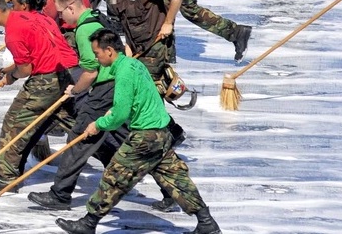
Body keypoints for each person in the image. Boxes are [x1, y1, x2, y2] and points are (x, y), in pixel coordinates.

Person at [55, 30, 221, 234]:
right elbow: (136, 99)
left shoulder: (124, 73)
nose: (96, 58)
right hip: (162, 132)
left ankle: (88, 224)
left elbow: (119, 117)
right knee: (176, 177)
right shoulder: (134, 64)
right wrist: (115, 111)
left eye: (97, 53)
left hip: (145, 136)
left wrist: (97, 125)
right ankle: (206, 222)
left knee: (114, 177)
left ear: (109, 51)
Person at [28, 0, 128, 210]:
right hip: (120, 85)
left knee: (78, 140)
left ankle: (60, 195)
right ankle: (155, 184)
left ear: (71, 7)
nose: (61, 17)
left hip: (103, 90)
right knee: (131, 138)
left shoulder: (84, 31)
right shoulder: (96, 17)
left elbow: (90, 73)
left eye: (61, 12)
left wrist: (75, 90)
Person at [0, 0, 79, 190]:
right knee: (73, 122)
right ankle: (115, 153)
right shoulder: (29, 16)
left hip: (44, 80)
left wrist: (11, 77)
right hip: (64, 72)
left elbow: (25, 69)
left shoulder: (12, 33)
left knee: (14, 122)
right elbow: (31, 54)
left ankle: (6, 177)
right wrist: (5, 71)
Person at [97, 0, 182, 79]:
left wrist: (168, 23)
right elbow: (126, 20)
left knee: (147, 86)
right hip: (136, 48)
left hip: (154, 47)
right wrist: (129, 47)